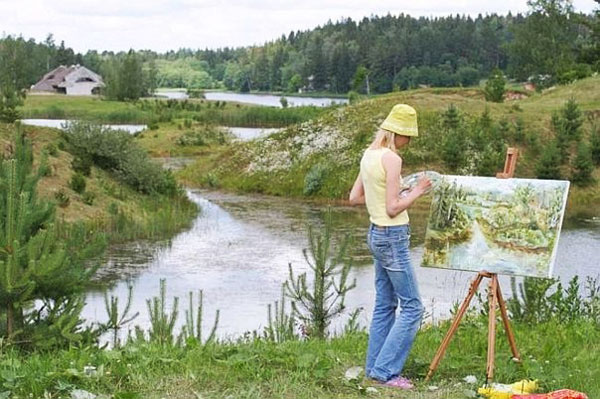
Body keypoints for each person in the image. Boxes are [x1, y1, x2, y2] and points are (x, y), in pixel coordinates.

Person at [349, 104, 431, 389]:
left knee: (385, 304)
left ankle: (373, 368)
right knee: (413, 308)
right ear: (398, 133)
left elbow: (355, 197)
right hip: (393, 236)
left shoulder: (368, 155)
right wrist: (418, 191)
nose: (409, 142)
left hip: (376, 233)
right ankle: (385, 372)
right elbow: (394, 208)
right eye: (409, 136)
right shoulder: (392, 159)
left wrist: (395, 193)